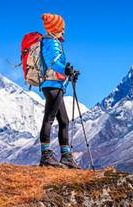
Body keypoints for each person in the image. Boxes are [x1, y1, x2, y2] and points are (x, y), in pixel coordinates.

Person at [39, 13, 80, 169]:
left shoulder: (51, 41)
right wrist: (66, 70)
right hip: (53, 85)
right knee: (49, 118)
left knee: (64, 121)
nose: (63, 31)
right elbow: (53, 62)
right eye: (61, 28)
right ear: (55, 28)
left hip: (54, 85)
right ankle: (46, 156)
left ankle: (66, 156)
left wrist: (68, 71)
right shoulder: (51, 42)